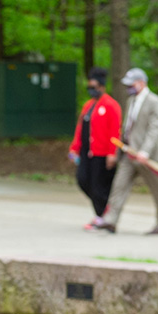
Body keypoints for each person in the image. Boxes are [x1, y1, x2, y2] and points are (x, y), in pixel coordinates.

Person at [97, 67, 158, 235]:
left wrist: (145, 151)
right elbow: (128, 127)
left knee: (157, 190)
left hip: (147, 156)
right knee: (119, 186)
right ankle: (111, 220)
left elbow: (154, 129)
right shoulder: (131, 101)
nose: (128, 87)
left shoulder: (154, 101)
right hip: (128, 153)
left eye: (131, 84)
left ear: (142, 83)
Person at [68, 67, 121, 231]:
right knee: (83, 180)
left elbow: (115, 131)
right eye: (89, 86)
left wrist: (112, 153)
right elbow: (80, 128)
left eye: (94, 86)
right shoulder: (88, 106)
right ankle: (102, 210)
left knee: (99, 185)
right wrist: (74, 148)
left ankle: (101, 216)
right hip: (87, 152)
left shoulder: (111, 105)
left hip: (102, 153)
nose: (92, 90)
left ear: (102, 86)